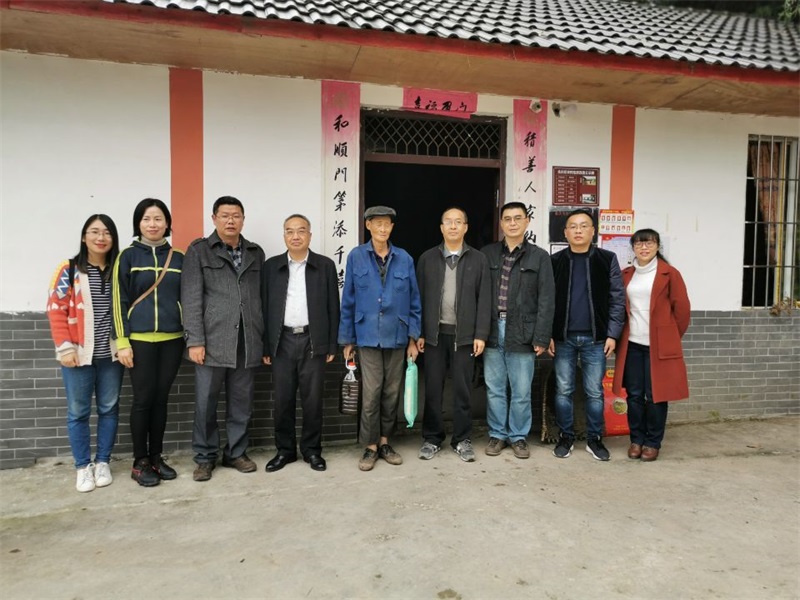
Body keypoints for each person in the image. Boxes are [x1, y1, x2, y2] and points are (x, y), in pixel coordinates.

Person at [182, 196, 265, 482]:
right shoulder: (199, 251)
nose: (231, 221)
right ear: (214, 218)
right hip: (212, 341)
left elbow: (261, 297)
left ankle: (236, 452)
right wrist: (195, 340)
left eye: (236, 215)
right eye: (225, 215)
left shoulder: (255, 252)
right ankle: (205, 457)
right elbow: (191, 298)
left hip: (247, 340)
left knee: (241, 402)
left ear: (243, 219)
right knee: (206, 403)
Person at [339, 206, 421, 471]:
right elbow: (348, 299)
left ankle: (385, 442)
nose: (383, 229)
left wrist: (413, 338)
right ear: (368, 226)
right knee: (371, 393)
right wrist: (348, 339)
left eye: (387, 224)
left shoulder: (404, 258)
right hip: (367, 336)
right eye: (378, 224)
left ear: (392, 227)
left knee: (391, 392)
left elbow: (414, 301)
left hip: (397, 335)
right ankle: (370, 446)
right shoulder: (356, 256)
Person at [47, 214, 123, 493]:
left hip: (111, 356)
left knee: (109, 409)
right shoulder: (68, 269)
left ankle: (102, 462)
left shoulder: (118, 268)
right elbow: (56, 310)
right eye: (94, 232)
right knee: (78, 412)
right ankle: (82, 467)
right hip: (78, 356)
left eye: (107, 233)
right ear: (84, 237)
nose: (101, 238)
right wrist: (65, 348)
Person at [112, 198, 184, 487]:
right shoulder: (127, 256)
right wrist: (122, 341)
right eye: (146, 219)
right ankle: (140, 461)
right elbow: (118, 300)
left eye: (158, 219)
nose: (152, 224)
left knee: (161, 399)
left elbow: (188, 297)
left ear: (167, 223)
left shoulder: (179, 257)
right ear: (138, 223)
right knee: (143, 399)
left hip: (172, 340)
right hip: (139, 340)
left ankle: (156, 457)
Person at [262, 214, 339, 473]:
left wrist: (331, 345)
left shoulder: (325, 266)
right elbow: (264, 307)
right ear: (284, 235)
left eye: (301, 231)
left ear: (310, 235)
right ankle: (285, 451)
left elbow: (333, 307)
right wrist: (266, 346)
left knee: (312, 401)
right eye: (290, 231)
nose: (295, 236)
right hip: (281, 341)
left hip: (312, 340)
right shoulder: (271, 267)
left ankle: (312, 450)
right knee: (282, 400)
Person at [549, 208, 625, 461]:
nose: (578, 230)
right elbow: (546, 301)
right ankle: (566, 437)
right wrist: (548, 334)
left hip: (596, 339)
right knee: (563, 390)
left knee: (594, 392)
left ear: (593, 231)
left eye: (584, 226)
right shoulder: (555, 261)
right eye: (573, 226)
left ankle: (594, 439)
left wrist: (612, 334)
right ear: (565, 233)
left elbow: (617, 299)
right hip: (563, 338)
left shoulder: (606, 259)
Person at [416, 207, 491, 462]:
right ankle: (432, 438)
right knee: (433, 388)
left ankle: (462, 439)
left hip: (465, 336)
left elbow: (485, 300)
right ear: (441, 227)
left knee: (462, 390)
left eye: (458, 222)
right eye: (448, 222)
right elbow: (418, 298)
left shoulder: (478, 259)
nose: (453, 226)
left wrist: (481, 334)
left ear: (466, 227)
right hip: (434, 335)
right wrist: (419, 332)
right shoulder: (427, 258)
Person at [481, 202, 555, 459]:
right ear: (501, 223)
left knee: (521, 391)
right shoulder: (488, 254)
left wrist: (542, 336)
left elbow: (547, 299)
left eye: (517, 218)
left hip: (523, 331)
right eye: (507, 219)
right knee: (495, 388)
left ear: (526, 222)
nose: (512, 223)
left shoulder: (539, 257)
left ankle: (518, 436)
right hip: (492, 329)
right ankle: (497, 434)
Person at [612, 229, 691, 461]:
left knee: (656, 395)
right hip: (632, 344)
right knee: (634, 395)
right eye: (638, 244)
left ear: (657, 246)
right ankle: (636, 439)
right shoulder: (626, 274)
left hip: (659, 346)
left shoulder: (670, 274)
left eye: (649, 243)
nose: (644, 248)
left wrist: (669, 337)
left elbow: (682, 311)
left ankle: (653, 442)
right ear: (633, 248)